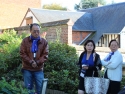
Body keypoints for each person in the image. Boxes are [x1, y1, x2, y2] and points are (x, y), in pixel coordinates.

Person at [20, 23, 49, 94]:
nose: (36, 33)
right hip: (27, 69)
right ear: (30, 31)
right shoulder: (25, 41)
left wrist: (37, 62)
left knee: (40, 89)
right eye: (34, 31)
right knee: (29, 89)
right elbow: (22, 53)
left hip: (39, 69)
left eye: (38, 31)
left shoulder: (44, 42)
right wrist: (31, 62)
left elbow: (45, 55)